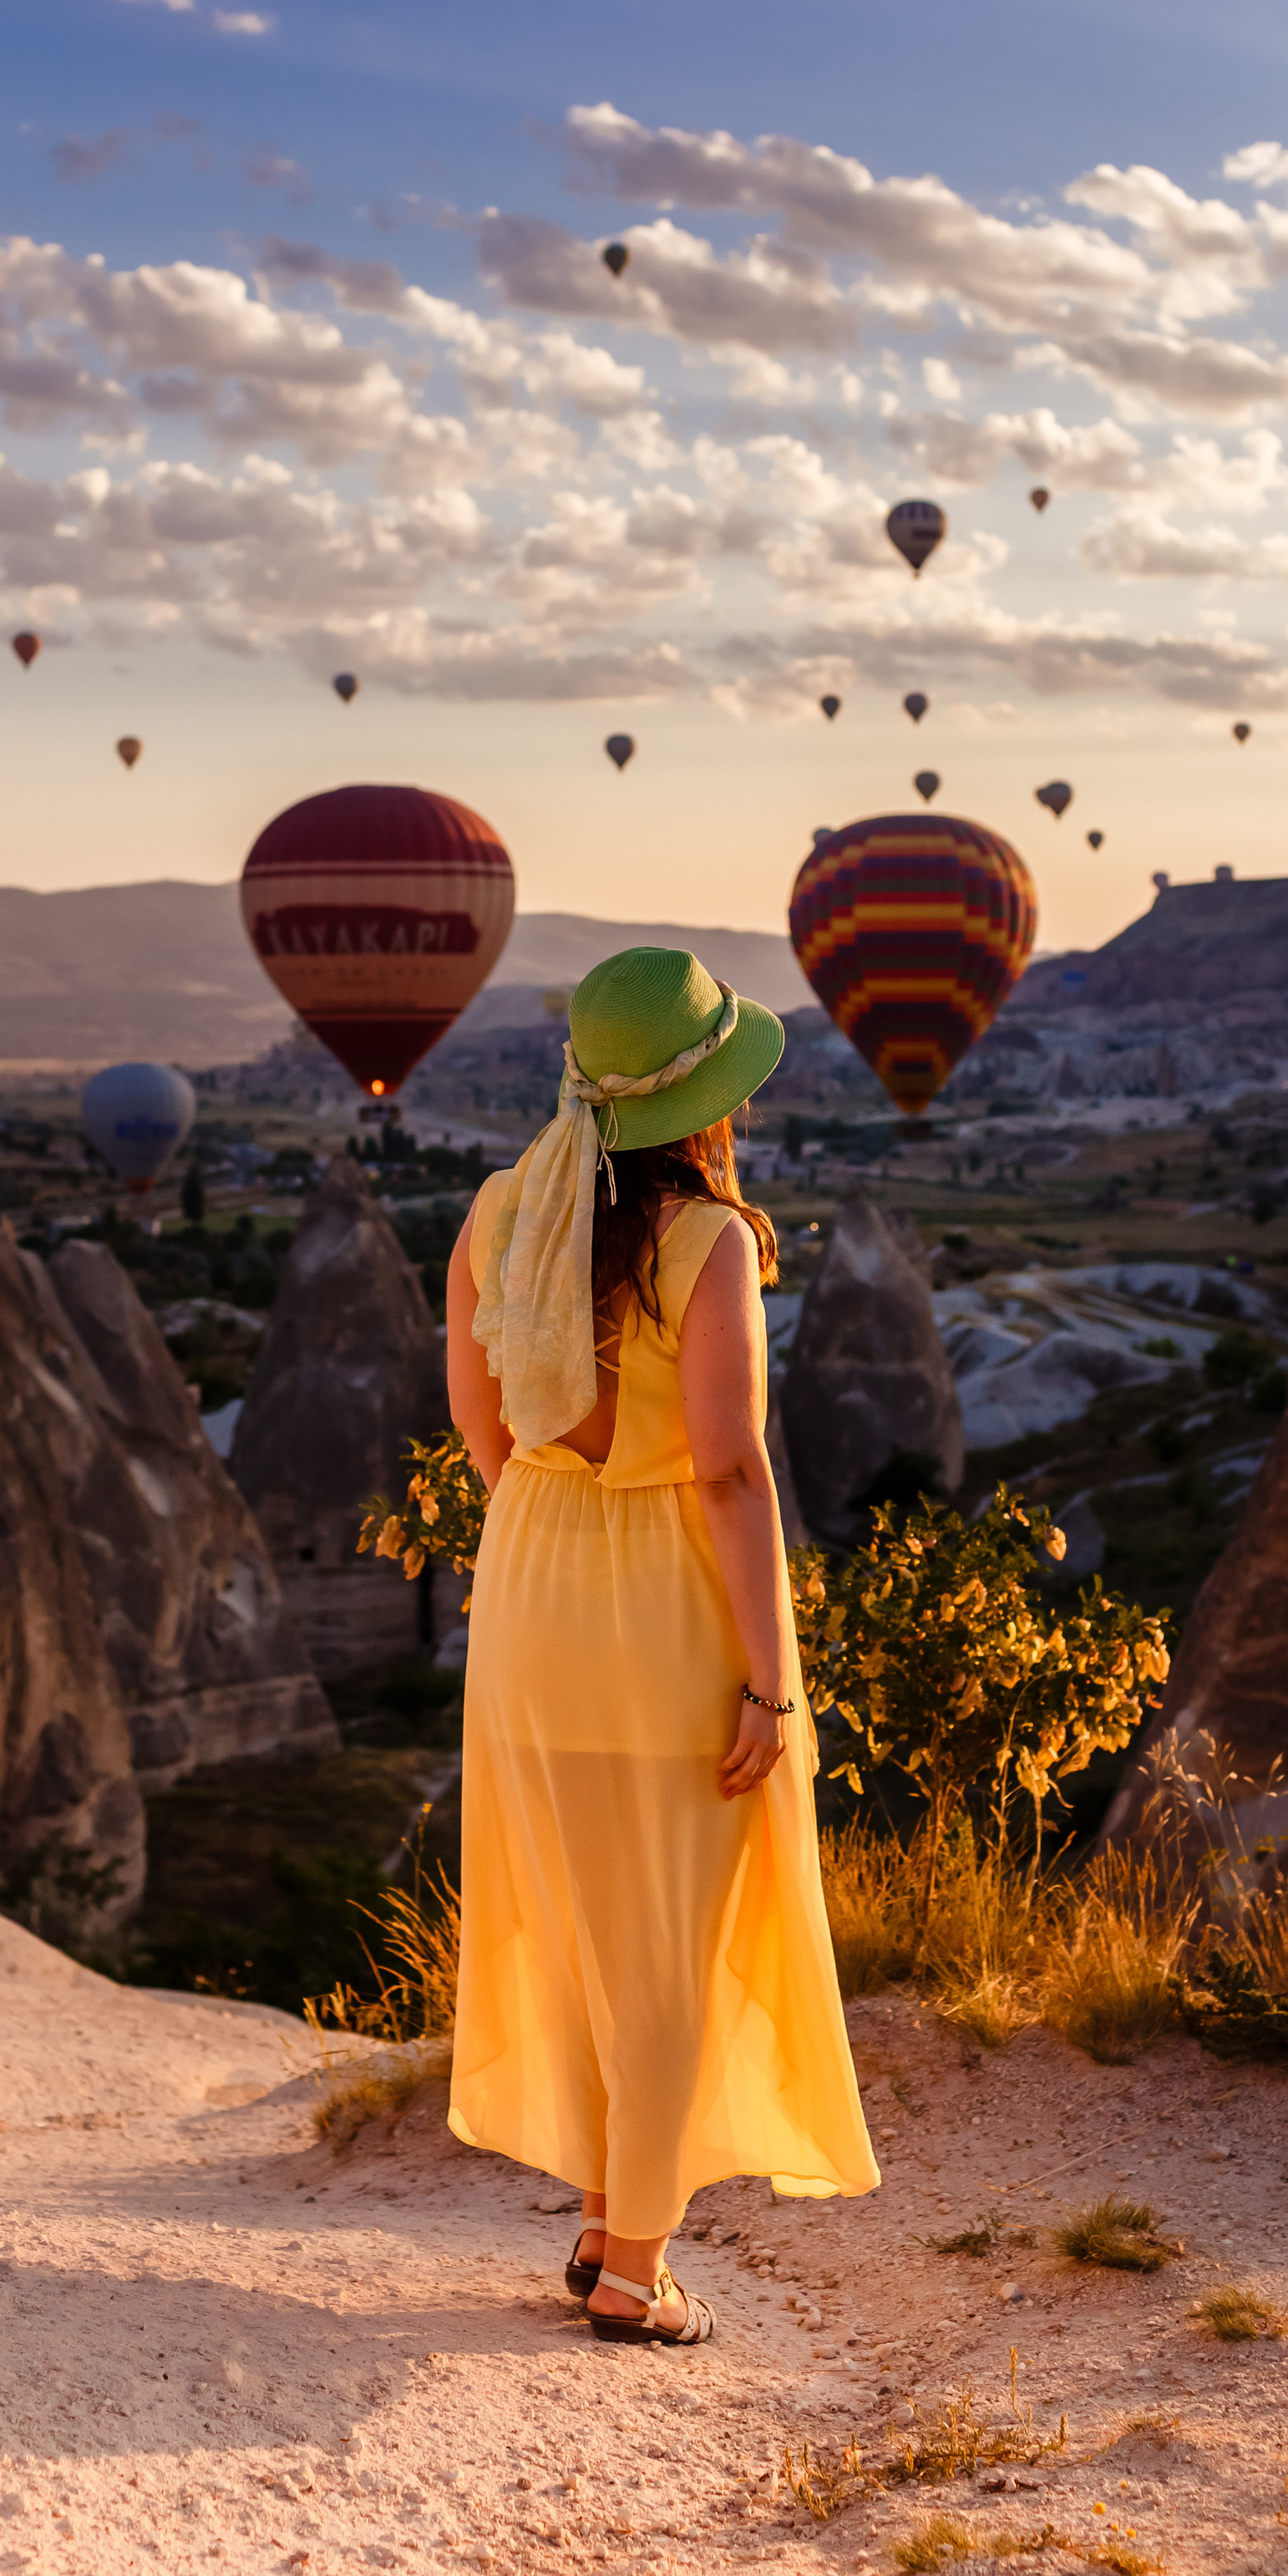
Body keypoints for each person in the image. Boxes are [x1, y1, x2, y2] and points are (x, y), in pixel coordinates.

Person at [444, 946, 879, 2348]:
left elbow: (483, 1428)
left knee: (582, 1917)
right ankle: (636, 2268)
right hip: (660, 1605)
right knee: (676, 1938)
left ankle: (599, 2221)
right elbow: (732, 1472)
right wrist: (771, 1677)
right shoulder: (709, 1244)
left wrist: (541, 1532)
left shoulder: (501, 1212)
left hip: (532, 1581)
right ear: (705, 1102)